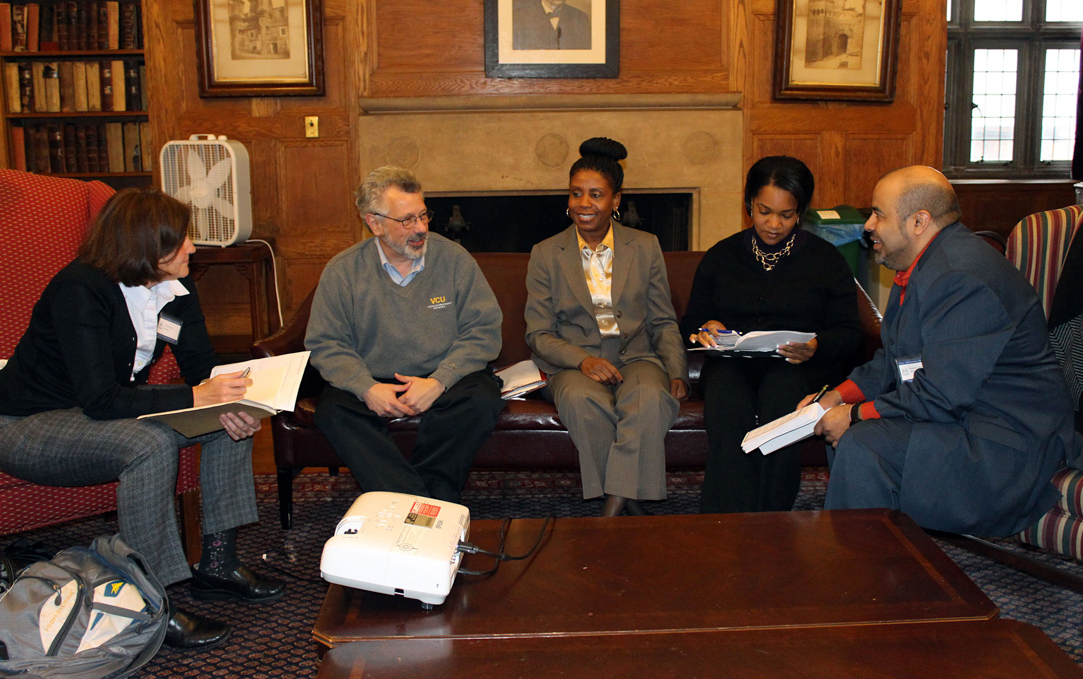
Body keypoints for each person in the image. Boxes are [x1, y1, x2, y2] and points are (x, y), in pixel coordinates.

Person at [0, 189, 283, 651]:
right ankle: (155, 602)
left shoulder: (176, 288)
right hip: (25, 423)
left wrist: (226, 400)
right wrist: (196, 395)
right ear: (144, 248)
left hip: (97, 412)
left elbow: (200, 368)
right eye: (181, 240)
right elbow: (101, 399)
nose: (192, 247)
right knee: (149, 444)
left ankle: (217, 564)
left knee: (226, 416)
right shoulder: (81, 289)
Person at [801, 165, 1083, 537]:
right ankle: (881, 564)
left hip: (1005, 445)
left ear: (919, 221)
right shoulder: (920, 264)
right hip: (961, 418)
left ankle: (864, 575)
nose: (868, 225)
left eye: (878, 213)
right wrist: (836, 397)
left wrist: (857, 415)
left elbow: (941, 394)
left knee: (865, 443)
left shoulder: (961, 277)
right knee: (853, 434)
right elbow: (895, 361)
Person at [305, 166, 504, 504]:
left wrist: (439, 381)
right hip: (375, 378)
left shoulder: (454, 259)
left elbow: (483, 330)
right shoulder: (343, 271)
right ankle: (417, 503)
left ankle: (425, 500)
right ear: (374, 223)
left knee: (482, 398)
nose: (421, 228)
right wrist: (366, 388)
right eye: (407, 220)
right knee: (333, 410)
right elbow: (326, 343)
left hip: (443, 375)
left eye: (424, 216)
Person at [681, 156, 862, 513]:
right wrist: (705, 329)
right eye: (764, 211)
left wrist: (815, 346)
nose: (774, 224)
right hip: (733, 363)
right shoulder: (723, 256)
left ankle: (771, 513)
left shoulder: (825, 260)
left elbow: (850, 332)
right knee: (725, 396)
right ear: (749, 203)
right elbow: (692, 321)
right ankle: (725, 514)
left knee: (783, 392)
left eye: (787, 214)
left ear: (802, 212)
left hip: (798, 366)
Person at [524, 137, 689, 517]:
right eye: (576, 193)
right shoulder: (546, 254)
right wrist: (582, 361)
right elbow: (538, 333)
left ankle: (613, 504)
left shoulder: (645, 246)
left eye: (596, 194)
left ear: (616, 200)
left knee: (650, 397)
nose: (584, 203)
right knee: (583, 402)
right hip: (574, 363)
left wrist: (677, 370)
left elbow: (662, 318)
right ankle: (628, 499)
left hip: (636, 356)